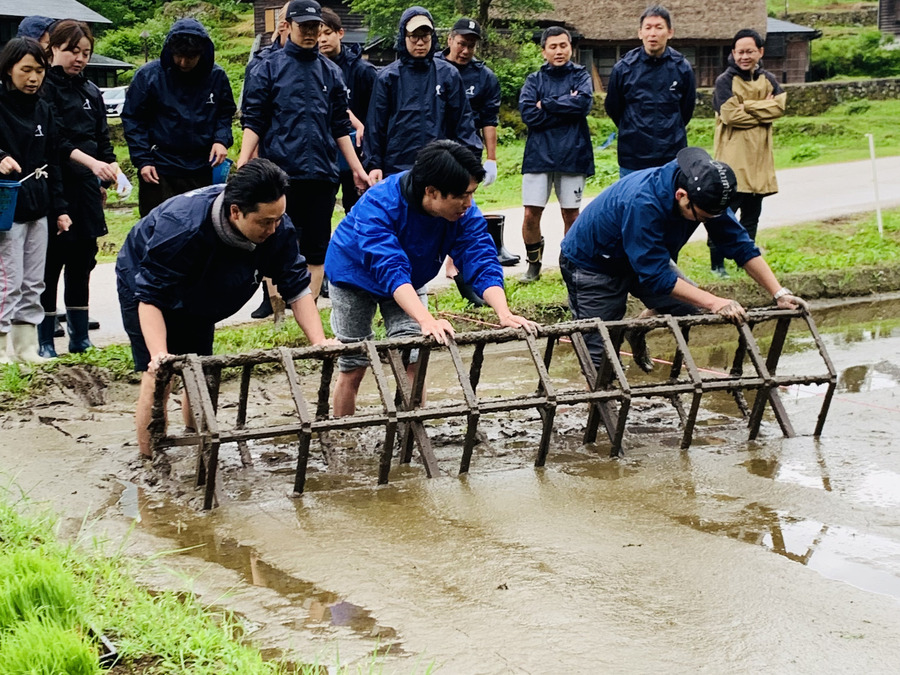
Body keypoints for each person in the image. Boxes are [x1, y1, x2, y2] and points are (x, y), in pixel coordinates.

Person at [116, 158, 334, 458]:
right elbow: (151, 295)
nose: (274, 228)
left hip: (205, 287)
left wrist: (318, 341)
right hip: (145, 280)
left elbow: (296, 286)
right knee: (160, 377)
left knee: (200, 368)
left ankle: (199, 442)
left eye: (278, 219)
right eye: (265, 222)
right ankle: (151, 459)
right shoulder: (182, 229)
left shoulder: (277, 226)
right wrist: (159, 356)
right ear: (236, 212)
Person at [324, 140, 536, 416]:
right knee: (354, 363)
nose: (468, 204)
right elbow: (389, 267)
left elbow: (480, 257)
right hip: (354, 275)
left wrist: (503, 312)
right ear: (432, 192)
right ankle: (343, 437)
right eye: (462, 196)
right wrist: (426, 319)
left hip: (409, 277)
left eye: (471, 194)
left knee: (413, 359)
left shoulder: (463, 212)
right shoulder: (379, 204)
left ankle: (411, 431)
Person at [559, 147, 807, 370]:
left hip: (647, 255)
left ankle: (637, 329)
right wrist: (714, 302)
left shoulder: (708, 194)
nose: (707, 222)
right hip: (594, 264)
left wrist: (779, 293)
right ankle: (601, 413)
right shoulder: (644, 202)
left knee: (687, 309)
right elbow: (655, 276)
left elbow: (740, 245)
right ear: (681, 196)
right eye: (702, 218)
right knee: (601, 355)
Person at [240, 0, 371, 302]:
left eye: (315, 27)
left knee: (316, 246)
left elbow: (340, 126)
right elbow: (255, 120)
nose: (311, 33)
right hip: (280, 174)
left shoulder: (330, 72)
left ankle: (307, 307)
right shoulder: (267, 68)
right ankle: (276, 311)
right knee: (275, 241)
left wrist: (357, 168)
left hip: (321, 174)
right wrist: (245, 159)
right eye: (305, 27)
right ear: (287, 27)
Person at [40, 20, 119, 356]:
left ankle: (80, 336)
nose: (80, 58)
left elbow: (103, 138)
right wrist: (91, 164)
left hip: (87, 187)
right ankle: (44, 337)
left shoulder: (90, 91)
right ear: (53, 49)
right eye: (72, 50)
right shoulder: (44, 89)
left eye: (86, 52)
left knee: (82, 259)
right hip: (56, 183)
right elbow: (57, 141)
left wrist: (109, 168)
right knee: (50, 261)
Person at [122, 18, 237, 218]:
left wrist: (221, 139)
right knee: (158, 227)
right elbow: (133, 118)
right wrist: (143, 160)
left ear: (201, 54)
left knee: (200, 226)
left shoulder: (216, 77)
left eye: (190, 57)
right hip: (159, 168)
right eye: (178, 56)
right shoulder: (148, 76)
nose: (183, 63)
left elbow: (225, 112)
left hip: (202, 167)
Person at [0, 38, 70, 363]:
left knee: (33, 281)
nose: (33, 78)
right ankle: (1, 350)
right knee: (7, 280)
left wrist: (61, 209)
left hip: (38, 206)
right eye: (25, 70)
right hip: (7, 207)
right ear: (8, 69)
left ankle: (27, 349)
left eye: (39, 70)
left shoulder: (44, 108)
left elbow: (53, 161)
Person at [436, 17, 514, 302]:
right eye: (461, 43)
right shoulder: (434, 68)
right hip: (436, 152)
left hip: (467, 150)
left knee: (462, 207)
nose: (465, 50)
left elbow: (489, 120)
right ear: (450, 40)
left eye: (471, 45)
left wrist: (491, 158)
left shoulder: (484, 76)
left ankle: (457, 265)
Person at [363, 7, 479, 181]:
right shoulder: (387, 77)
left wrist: (471, 165)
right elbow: (375, 127)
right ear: (404, 36)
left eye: (425, 36)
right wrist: (374, 165)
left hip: (440, 168)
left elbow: (463, 124)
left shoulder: (448, 75)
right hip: (396, 169)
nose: (420, 42)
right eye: (414, 36)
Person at [708, 28, 786, 278]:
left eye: (750, 51)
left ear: (760, 52)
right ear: (733, 53)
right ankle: (717, 264)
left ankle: (746, 264)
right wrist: (763, 107)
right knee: (722, 215)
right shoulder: (724, 81)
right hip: (733, 160)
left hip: (759, 160)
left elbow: (780, 107)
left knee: (751, 217)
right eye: (740, 51)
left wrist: (747, 105)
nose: (744, 56)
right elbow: (730, 115)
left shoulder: (768, 79)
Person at [518, 26, 593, 283]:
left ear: (571, 48)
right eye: (553, 46)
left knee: (571, 213)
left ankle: (570, 263)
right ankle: (533, 264)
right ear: (543, 51)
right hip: (538, 155)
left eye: (563, 46)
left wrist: (547, 103)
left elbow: (583, 104)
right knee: (530, 213)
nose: (559, 51)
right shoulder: (533, 80)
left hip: (573, 153)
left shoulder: (581, 75)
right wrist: (565, 105)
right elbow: (529, 114)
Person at [604, 5, 695, 177]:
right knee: (632, 203)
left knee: (670, 203)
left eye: (659, 27)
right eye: (648, 28)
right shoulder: (624, 68)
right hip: (633, 155)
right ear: (640, 33)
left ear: (670, 32)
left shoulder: (682, 67)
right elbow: (613, 108)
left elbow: (686, 110)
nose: (653, 33)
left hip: (671, 155)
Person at [318, 7, 377, 214]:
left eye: (327, 33)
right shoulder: (313, 71)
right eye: (318, 34)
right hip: (325, 155)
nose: (322, 39)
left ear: (340, 33)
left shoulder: (363, 71)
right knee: (321, 212)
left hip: (359, 152)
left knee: (359, 211)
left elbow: (376, 114)